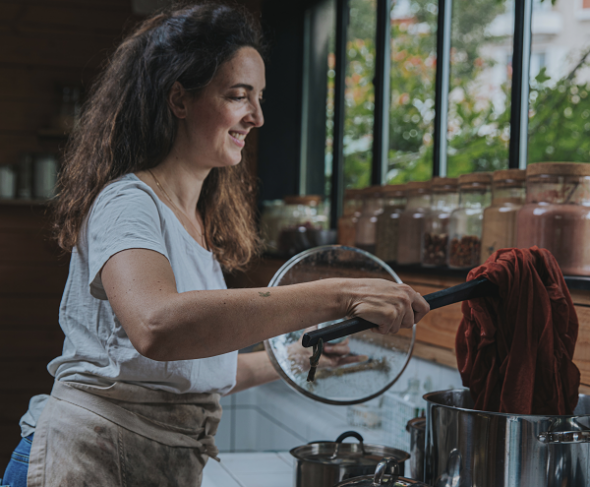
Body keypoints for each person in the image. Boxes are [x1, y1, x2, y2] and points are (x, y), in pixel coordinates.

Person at [1, 3, 430, 486]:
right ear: (179, 99)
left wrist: (290, 359)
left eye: (259, 97)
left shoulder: (194, 220)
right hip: (81, 463)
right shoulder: (128, 202)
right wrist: (338, 294)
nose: (258, 116)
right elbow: (157, 326)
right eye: (239, 96)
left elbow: (190, 371)